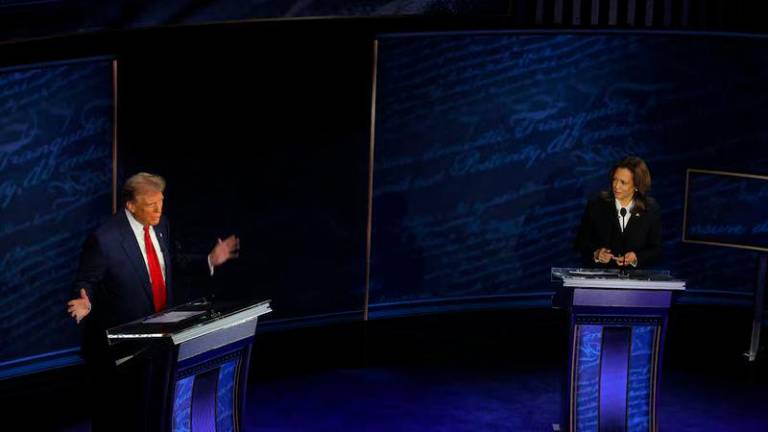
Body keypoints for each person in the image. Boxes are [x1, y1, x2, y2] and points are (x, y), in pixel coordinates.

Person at [65, 172, 240, 431]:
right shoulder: (105, 239)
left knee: (152, 416)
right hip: (119, 354)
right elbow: (85, 282)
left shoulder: (162, 225)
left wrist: (209, 261)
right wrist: (86, 302)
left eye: (161, 201)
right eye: (151, 204)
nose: (158, 209)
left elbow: (175, 263)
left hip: (159, 343)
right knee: (118, 419)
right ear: (131, 205)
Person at [574, 156, 662, 268]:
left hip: (634, 280)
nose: (616, 186)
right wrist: (597, 253)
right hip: (600, 278)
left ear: (636, 185)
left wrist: (636, 257)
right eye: (614, 180)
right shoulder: (597, 204)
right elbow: (581, 242)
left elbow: (656, 249)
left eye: (623, 182)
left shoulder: (651, 208)